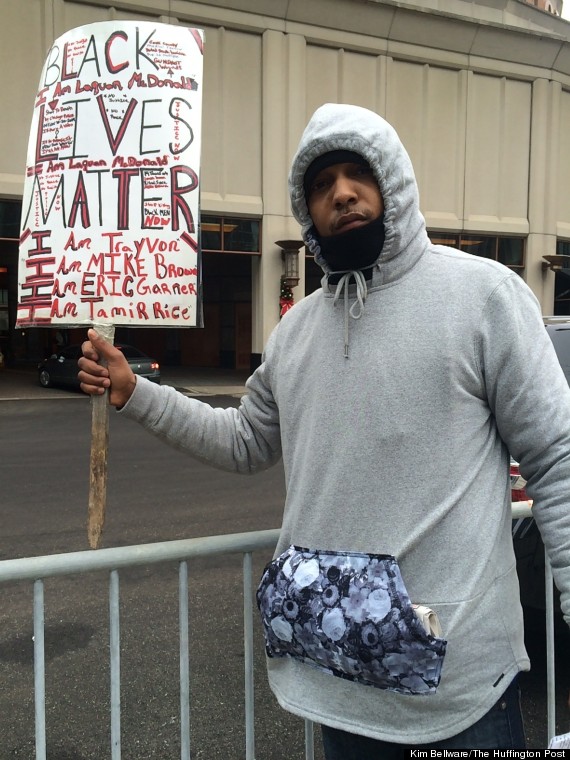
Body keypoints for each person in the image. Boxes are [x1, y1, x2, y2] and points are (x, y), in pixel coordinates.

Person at [78, 103, 570, 755]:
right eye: (320, 183)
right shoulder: (295, 334)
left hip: (460, 697)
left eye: (356, 172)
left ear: (392, 178)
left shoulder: (485, 297)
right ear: (306, 208)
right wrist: (136, 392)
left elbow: (557, 461)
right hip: (336, 686)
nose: (340, 192)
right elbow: (244, 441)